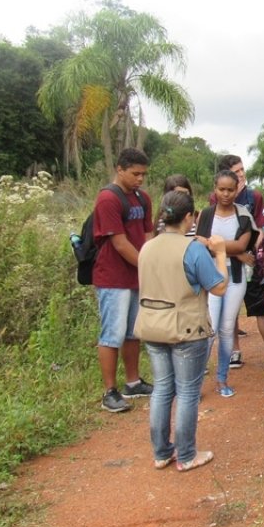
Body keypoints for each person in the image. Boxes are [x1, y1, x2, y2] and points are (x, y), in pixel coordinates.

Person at [135, 191, 227, 472]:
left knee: (163, 388)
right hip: (187, 328)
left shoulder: (147, 247)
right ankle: (186, 455)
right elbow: (218, 287)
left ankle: (162, 452)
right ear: (189, 218)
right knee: (187, 392)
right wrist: (220, 253)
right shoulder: (193, 249)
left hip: (152, 326)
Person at [92, 148, 155, 413]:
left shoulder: (143, 198)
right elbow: (119, 243)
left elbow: (148, 232)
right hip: (113, 278)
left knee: (133, 332)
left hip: (135, 277)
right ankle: (109, 391)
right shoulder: (108, 199)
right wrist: (148, 265)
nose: (140, 178)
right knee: (112, 334)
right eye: (135, 173)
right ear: (120, 169)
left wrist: (149, 260)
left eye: (143, 174)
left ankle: (133, 381)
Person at [195, 170, 253, 397]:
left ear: (237, 188)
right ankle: (196, 384)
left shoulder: (244, 215)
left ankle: (222, 378)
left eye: (230, 189)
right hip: (210, 277)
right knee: (209, 331)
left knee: (227, 329)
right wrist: (232, 249)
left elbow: (242, 246)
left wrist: (213, 244)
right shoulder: (206, 215)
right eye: (222, 189)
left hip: (235, 278)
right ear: (215, 189)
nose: (226, 194)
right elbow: (197, 245)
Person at [218, 155, 264, 367]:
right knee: (229, 309)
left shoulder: (254, 197)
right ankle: (235, 351)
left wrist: (252, 250)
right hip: (228, 262)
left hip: (251, 262)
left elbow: (261, 227)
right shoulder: (216, 199)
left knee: (259, 308)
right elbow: (215, 235)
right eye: (237, 171)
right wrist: (238, 253)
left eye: (242, 169)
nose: (242, 174)